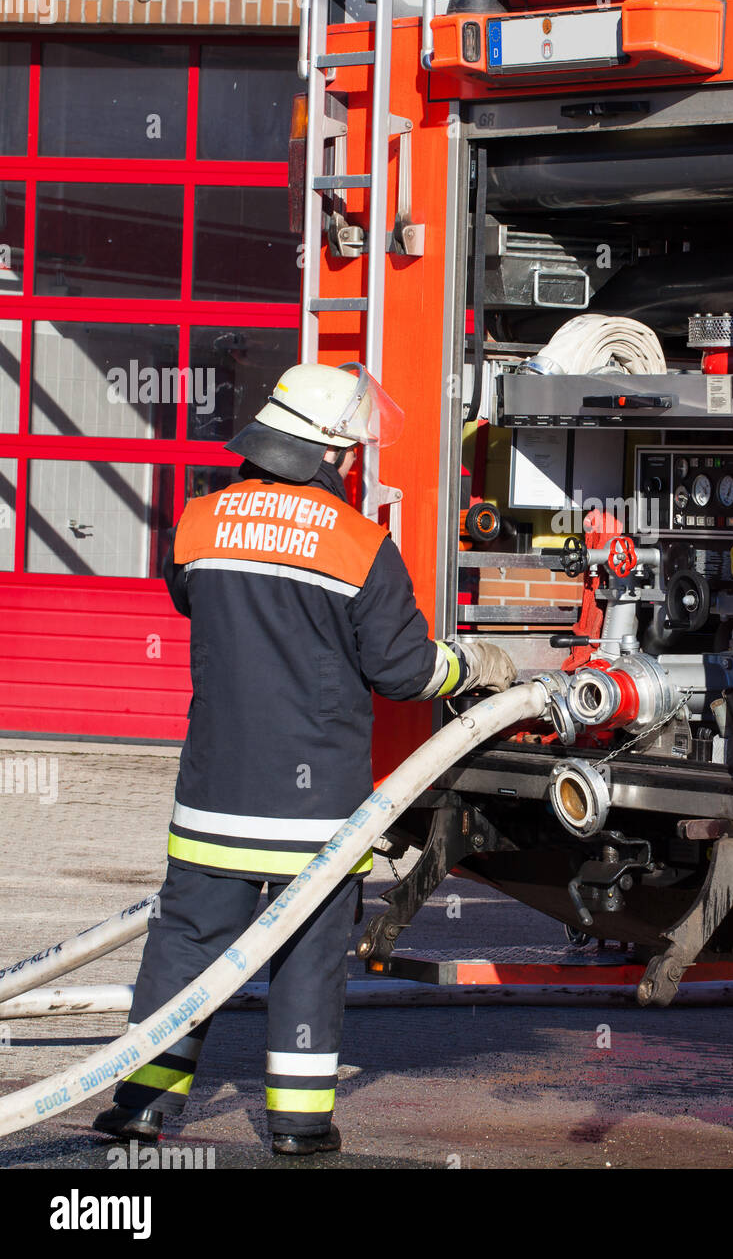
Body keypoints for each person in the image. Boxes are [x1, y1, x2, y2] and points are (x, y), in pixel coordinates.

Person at [92, 362, 514, 1156]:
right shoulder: (359, 545)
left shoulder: (197, 522)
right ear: (327, 453)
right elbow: (404, 672)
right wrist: (478, 665)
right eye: (349, 453)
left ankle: (144, 1105)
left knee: (185, 942)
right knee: (308, 957)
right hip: (313, 808)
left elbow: (193, 600)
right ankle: (297, 1125)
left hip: (212, 790)